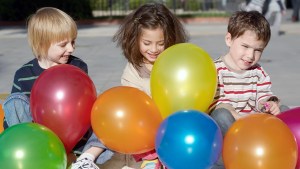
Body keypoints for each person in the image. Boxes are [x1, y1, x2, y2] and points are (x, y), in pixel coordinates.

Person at [1, 7, 113, 169]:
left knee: (105, 107)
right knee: (14, 101)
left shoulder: (77, 67)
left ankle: (86, 159)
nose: (71, 48)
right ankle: (34, 151)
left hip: (77, 140)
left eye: (73, 42)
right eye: (63, 45)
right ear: (42, 44)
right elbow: (15, 115)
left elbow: (85, 110)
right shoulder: (23, 74)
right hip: (40, 140)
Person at [209, 10, 289, 169]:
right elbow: (216, 103)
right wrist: (236, 116)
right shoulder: (215, 70)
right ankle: (225, 162)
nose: (250, 55)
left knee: (284, 111)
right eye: (245, 46)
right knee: (221, 116)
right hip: (229, 132)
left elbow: (263, 95)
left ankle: (282, 156)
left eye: (258, 50)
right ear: (229, 39)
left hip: (255, 130)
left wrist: (269, 104)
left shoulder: (258, 73)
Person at [113, 2, 189, 169]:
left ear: (169, 39)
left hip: (172, 125)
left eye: (160, 43)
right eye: (147, 43)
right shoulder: (133, 70)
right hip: (146, 131)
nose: (154, 49)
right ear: (135, 39)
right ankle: (150, 159)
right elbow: (134, 108)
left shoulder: (176, 63)